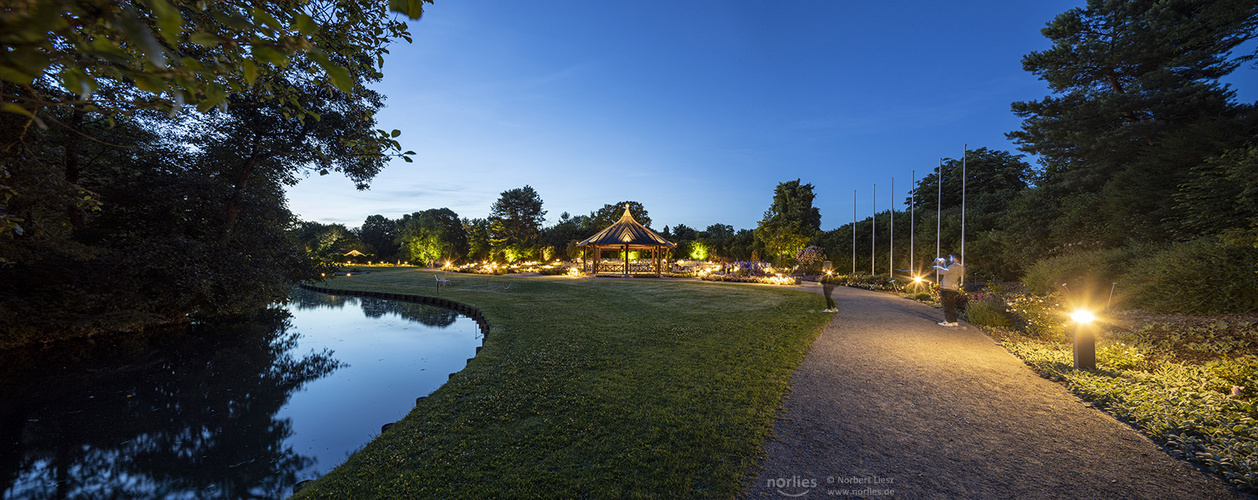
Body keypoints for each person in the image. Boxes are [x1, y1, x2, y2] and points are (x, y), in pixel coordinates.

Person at [934, 255, 965, 327]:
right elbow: (948, 271)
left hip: (947, 287)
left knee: (947, 305)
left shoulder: (953, 266)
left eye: (953, 257)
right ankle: (954, 321)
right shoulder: (960, 267)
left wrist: (938, 265)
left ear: (956, 259)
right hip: (954, 288)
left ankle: (948, 321)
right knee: (951, 305)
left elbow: (942, 272)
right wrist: (943, 264)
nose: (951, 259)